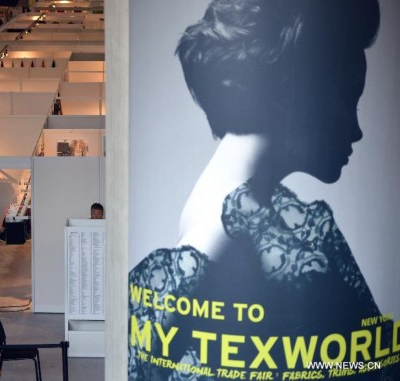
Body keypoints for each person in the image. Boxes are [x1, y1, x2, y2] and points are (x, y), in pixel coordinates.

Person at [128, 0, 398, 380]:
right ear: (301, 93)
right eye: (349, 102)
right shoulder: (257, 242)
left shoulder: (247, 224)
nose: (356, 131)